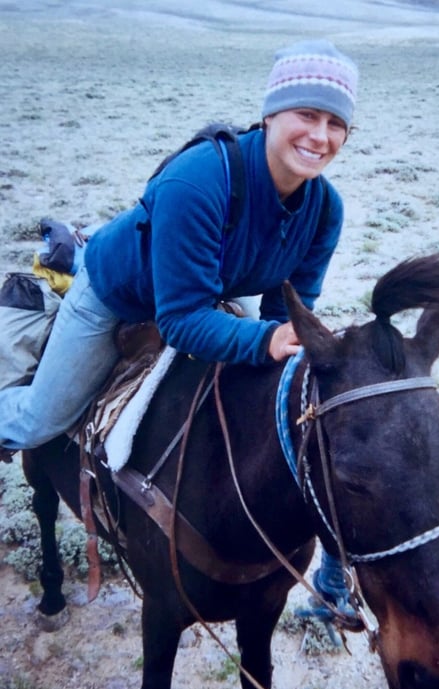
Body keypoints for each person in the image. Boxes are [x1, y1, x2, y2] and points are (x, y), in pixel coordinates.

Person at [0, 39, 359, 625]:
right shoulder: (200, 180)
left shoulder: (325, 209)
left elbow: (291, 307)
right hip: (119, 293)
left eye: (336, 123)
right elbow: (180, 320)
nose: (320, 135)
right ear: (271, 114)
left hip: (211, 286)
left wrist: (284, 341)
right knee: (44, 417)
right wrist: (266, 341)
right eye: (306, 115)